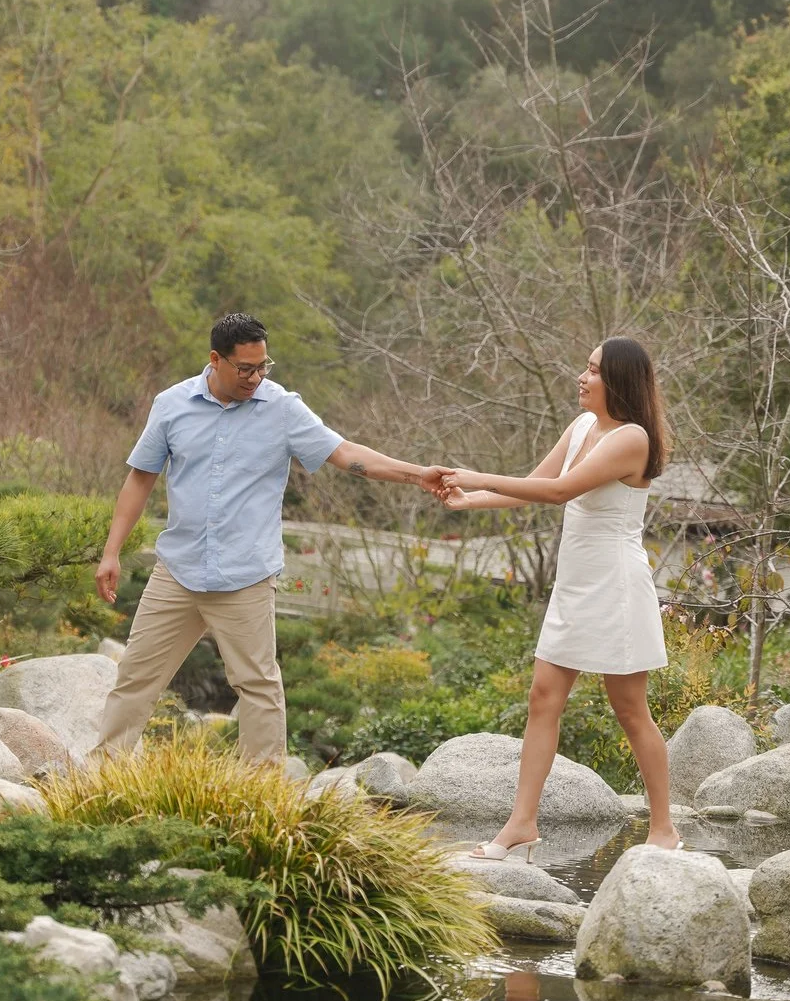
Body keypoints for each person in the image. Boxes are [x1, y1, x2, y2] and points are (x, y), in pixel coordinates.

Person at [90, 312, 444, 766]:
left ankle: (257, 793)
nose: (256, 377)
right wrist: (111, 552)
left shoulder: (282, 408)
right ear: (215, 360)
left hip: (245, 576)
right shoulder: (171, 404)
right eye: (245, 368)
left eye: (263, 366)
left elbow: (347, 454)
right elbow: (140, 479)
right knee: (136, 677)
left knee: (257, 687)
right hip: (177, 571)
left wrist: (418, 475)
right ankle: (100, 775)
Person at [436, 336, 677, 855]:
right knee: (543, 698)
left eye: (592, 370)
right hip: (575, 584)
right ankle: (521, 823)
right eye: (584, 367)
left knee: (630, 708)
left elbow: (559, 492)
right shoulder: (584, 426)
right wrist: (468, 500)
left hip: (615, 585)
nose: (581, 378)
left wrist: (475, 473)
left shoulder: (632, 438)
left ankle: (664, 828)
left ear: (618, 380)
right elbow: (532, 483)